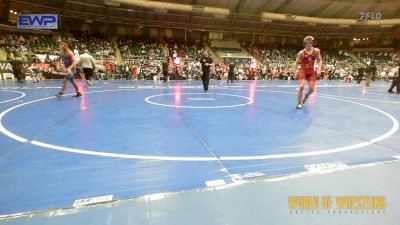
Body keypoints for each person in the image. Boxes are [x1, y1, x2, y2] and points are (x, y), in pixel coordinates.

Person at [293, 36, 323, 109]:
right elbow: (296, 63)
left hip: (311, 73)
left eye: (310, 42)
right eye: (307, 43)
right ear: (305, 44)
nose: (309, 44)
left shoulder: (316, 51)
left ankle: (306, 96)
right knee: (301, 86)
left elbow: (320, 60)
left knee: (312, 89)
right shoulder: (301, 53)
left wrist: (319, 69)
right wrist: (295, 72)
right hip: (303, 72)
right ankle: (299, 102)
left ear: (312, 43)